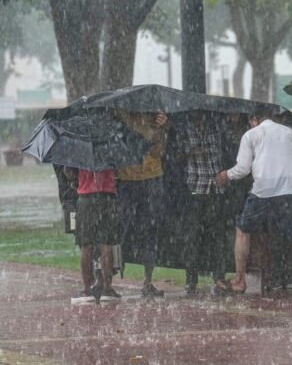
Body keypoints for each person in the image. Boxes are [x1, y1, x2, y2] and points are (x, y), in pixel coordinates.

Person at [216, 106, 292, 296]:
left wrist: (226, 175)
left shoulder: (251, 135)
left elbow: (243, 168)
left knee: (242, 230)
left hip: (263, 190)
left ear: (254, 120)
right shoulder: (291, 133)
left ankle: (239, 280)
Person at [115, 110, 169, 298]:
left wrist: (161, 129)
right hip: (127, 178)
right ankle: (106, 279)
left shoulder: (155, 118)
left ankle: (148, 281)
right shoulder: (121, 115)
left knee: (151, 230)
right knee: (119, 229)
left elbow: (159, 151)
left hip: (152, 177)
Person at [177, 111, 232, 295]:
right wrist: (190, 150)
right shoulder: (184, 129)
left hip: (215, 188)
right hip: (195, 188)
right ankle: (191, 279)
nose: (200, 118)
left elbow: (225, 151)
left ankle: (219, 277)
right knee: (192, 237)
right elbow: (177, 153)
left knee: (217, 236)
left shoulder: (216, 128)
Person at [66, 168, 121, 304]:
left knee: (86, 245)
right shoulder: (109, 153)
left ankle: (87, 290)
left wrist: (76, 178)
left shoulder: (79, 154)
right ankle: (107, 289)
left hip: (86, 198)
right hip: (107, 197)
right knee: (106, 244)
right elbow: (117, 172)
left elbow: (68, 171)